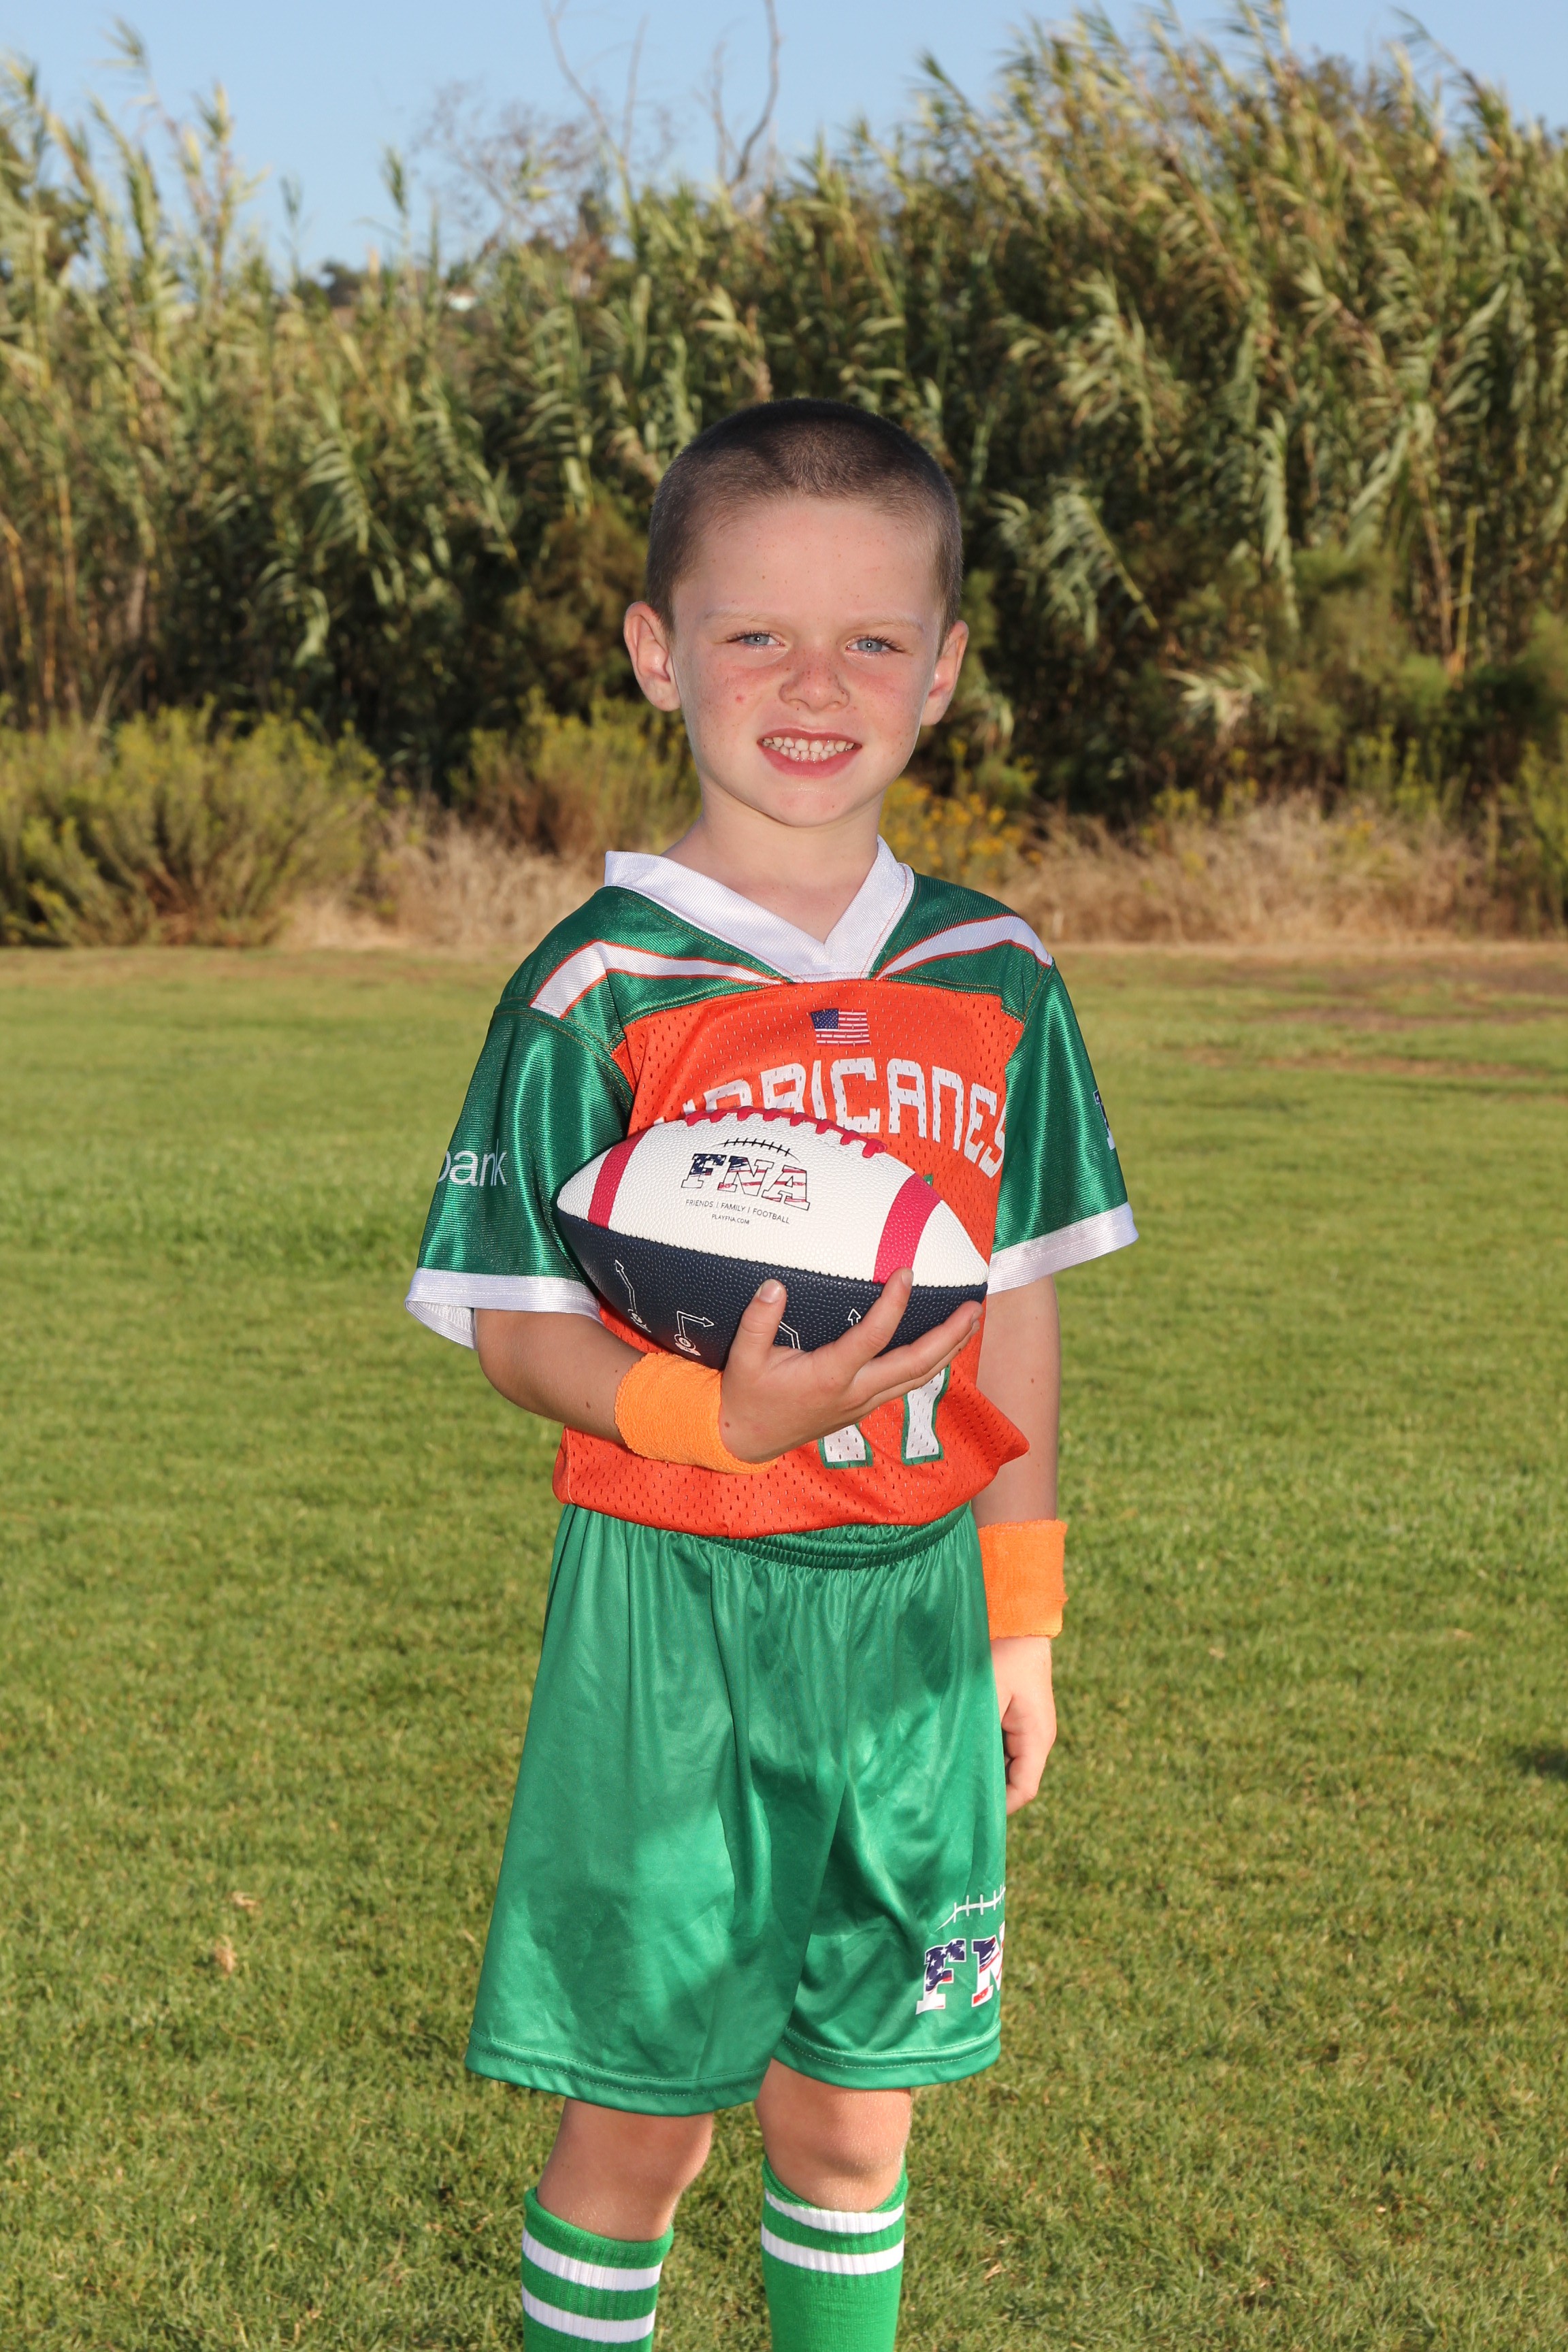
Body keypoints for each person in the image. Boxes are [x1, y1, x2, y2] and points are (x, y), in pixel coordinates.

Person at [406, 397, 1137, 2351]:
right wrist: (706, 1416)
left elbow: (1021, 1312)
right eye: (757, 636)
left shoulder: (998, 973)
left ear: (943, 669)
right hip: (677, 1610)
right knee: (639, 2127)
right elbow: (513, 1322)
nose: (816, 687)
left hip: (911, 1610)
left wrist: (1021, 1617)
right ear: (660, 653)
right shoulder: (598, 983)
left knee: (851, 2121)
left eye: (872, 639)